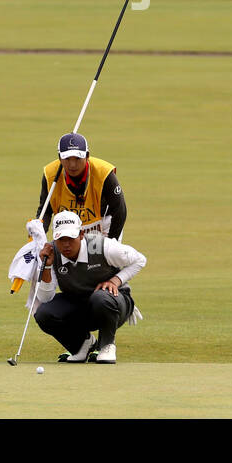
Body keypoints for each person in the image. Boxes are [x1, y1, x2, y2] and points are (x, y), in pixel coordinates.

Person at [33, 210, 146, 364]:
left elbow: (140, 260)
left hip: (114, 304)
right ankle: (82, 345)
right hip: (79, 304)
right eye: (61, 239)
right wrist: (46, 267)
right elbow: (45, 298)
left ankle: (107, 345)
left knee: (101, 297)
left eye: (71, 238)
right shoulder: (51, 253)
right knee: (43, 313)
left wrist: (116, 281)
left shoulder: (102, 246)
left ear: (81, 234)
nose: (66, 245)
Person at [35, 133, 127, 240]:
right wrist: (38, 235)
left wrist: (111, 242)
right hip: (67, 226)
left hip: (101, 225)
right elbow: (45, 210)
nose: (72, 165)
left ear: (87, 156)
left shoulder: (104, 173)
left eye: (78, 158)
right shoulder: (50, 174)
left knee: (96, 256)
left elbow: (120, 210)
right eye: (67, 158)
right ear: (59, 158)